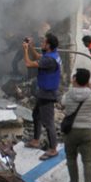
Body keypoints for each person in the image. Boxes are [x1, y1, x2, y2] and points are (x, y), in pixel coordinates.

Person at [62, 68, 91, 182]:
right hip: (87, 131)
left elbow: (62, 103)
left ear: (75, 79)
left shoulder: (68, 94)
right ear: (88, 80)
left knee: (71, 158)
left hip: (71, 131)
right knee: (88, 161)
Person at [23, 32, 61, 160]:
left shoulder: (49, 59)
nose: (42, 43)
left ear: (49, 45)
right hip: (44, 91)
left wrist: (25, 50)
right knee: (36, 115)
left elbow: (29, 64)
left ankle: (53, 149)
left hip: (47, 94)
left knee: (48, 122)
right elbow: (38, 56)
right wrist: (32, 47)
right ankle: (35, 140)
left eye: (44, 42)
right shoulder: (52, 54)